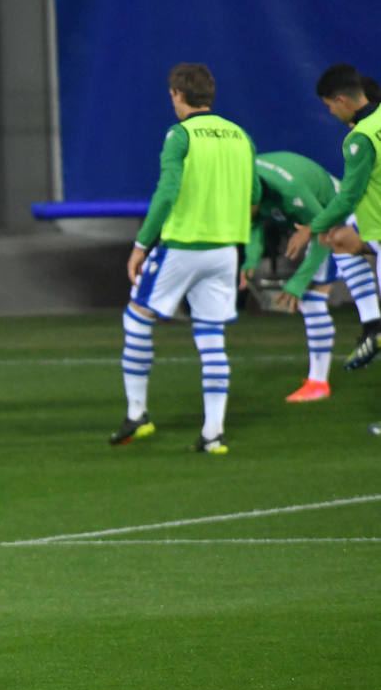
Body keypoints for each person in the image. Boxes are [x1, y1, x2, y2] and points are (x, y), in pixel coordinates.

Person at [110, 63, 259, 454]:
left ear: (177, 94)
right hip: (225, 250)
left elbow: (167, 191)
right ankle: (213, 432)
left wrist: (142, 244)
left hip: (182, 246)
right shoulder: (240, 136)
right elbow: (256, 194)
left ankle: (137, 413)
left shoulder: (180, 135)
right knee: (211, 337)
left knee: (137, 318)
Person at [240, 151, 378, 401]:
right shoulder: (246, 180)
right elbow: (254, 223)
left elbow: (323, 232)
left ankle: (318, 382)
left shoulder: (290, 190)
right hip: (323, 222)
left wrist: (298, 282)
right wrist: (250, 262)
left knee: (311, 298)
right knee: (310, 298)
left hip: (338, 217)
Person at [301, 64, 381, 371]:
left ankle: (373, 326)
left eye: (329, 106)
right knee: (342, 240)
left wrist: (312, 227)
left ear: (341, 100)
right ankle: (372, 325)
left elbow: (349, 195)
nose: (331, 112)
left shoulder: (359, 138)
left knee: (337, 237)